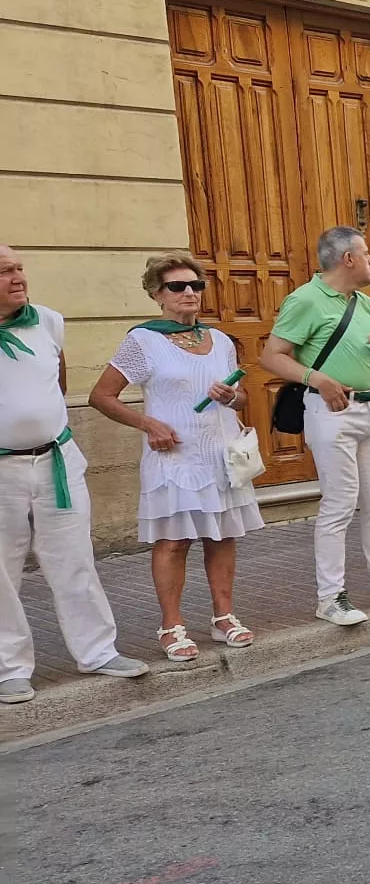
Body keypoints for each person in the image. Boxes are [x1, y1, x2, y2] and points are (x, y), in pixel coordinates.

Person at [88, 252, 265, 661]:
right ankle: (171, 626)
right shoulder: (143, 340)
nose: (189, 293)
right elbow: (102, 396)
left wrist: (232, 395)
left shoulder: (219, 340)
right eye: (177, 287)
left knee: (222, 537)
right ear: (156, 294)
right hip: (174, 458)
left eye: (195, 286)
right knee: (173, 542)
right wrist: (148, 425)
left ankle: (224, 617)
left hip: (218, 455)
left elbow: (242, 399)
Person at [0, 244, 150, 704]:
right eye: (5, 271)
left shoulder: (47, 320)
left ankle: (98, 650)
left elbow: (58, 383)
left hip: (56, 461)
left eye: (19, 267)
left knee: (74, 558)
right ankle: (10, 669)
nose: (18, 277)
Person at [262, 227, 370, 627]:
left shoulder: (366, 303)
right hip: (331, 410)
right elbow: (271, 356)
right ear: (347, 258)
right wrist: (318, 379)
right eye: (367, 252)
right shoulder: (305, 299)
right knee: (339, 503)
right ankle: (330, 596)